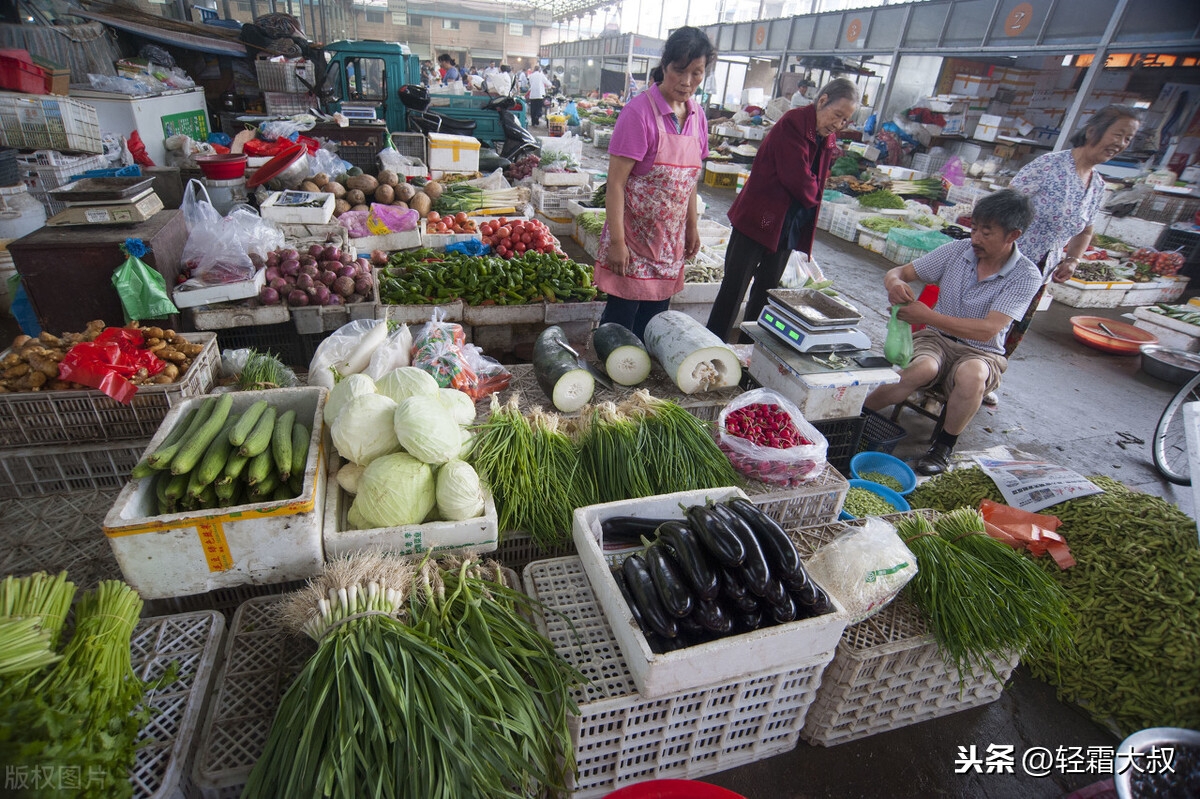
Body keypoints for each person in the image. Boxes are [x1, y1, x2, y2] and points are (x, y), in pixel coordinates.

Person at [862, 189, 1041, 476]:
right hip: (935, 340)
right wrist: (894, 283)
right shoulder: (957, 251)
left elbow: (988, 331)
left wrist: (928, 315)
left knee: (972, 376)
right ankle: (857, 417)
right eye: (974, 229)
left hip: (983, 352)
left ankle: (943, 446)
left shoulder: (1026, 275)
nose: (975, 239)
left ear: (1012, 236)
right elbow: (899, 272)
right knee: (920, 369)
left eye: (986, 232)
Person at [706, 78, 859, 344]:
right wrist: (815, 192)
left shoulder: (827, 137)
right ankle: (711, 345)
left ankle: (749, 352)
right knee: (734, 287)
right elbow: (798, 180)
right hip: (761, 217)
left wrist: (813, 191)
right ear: (822, 101)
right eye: (837, 115)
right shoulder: (794, 123)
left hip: (787, 224)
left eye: (845, 120)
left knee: (766, 293)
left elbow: (815, 180)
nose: (839, 124)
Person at [593, 27, 715, 340]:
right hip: (632, 242)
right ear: (664, 66)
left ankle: (643, 386)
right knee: (619, 325)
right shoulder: (638, 113)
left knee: (655, 325)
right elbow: (616, 184)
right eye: (679, 71)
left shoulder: (697, 115)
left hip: (669, 244)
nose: (686, 82)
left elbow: (689, 180)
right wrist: (618, 244)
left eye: (697, 73)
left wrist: (692, 226)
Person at [1002, 105, 1142, 359]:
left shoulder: (1097, 184)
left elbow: (1086, 230)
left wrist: (1072, 259)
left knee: (1013, 324)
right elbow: (1001, 206)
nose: (1121, 143)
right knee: (989, 321)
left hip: (1041, 271)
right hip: (1007, 263)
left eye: (1128, 139)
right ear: (1092, 131)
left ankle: (990, 372)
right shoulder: (1050, 166)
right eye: (1118, 134)